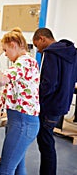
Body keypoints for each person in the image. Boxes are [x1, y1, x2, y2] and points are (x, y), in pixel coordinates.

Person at [0, 28, 40, 175]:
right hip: (20, 122)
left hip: (23, 123)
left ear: (14, 45)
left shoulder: (25, 62)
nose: (6, 55)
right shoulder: (25, 63)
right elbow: (17, 92)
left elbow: (4, 78)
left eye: (6, 50)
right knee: (18, 167)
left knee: (6, 169)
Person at [32, 28, 77, 175]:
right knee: (48, 141)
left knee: (45, 144)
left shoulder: (51, 53)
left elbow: (49, 84)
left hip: (50, 106)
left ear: (42, 39)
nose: (38, 50)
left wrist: (36, 99)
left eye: (37, 45)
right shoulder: (72, 52)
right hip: (62, 105)